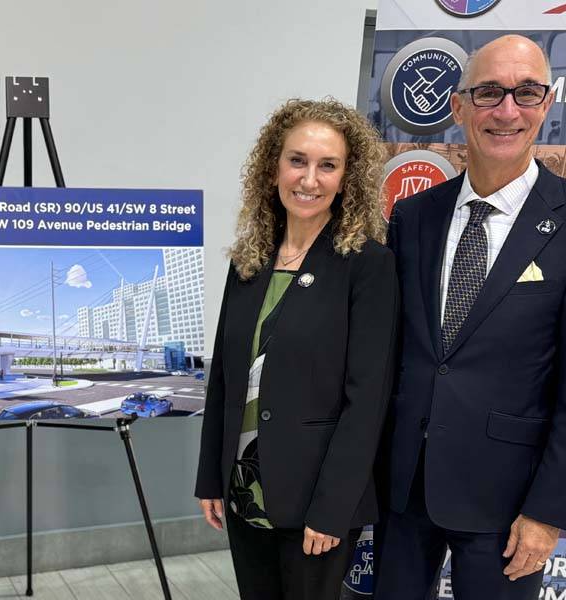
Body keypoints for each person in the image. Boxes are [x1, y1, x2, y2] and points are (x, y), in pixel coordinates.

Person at [374, 35, 566, 600]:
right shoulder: (414, 216)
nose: (506, 111)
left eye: (526, 93)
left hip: (508, 504)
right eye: (489, 92)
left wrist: (548, 511)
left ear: (547, 103)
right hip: (405, 487)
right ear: (459, 106)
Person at [194, 98, 399, 600]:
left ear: (346, 179)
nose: (309, 179)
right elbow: (224, 376)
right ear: (273, 168)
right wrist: (210, 478)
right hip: (246, 490)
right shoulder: (249, 261)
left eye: (327, 165)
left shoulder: (367, 266)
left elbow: (367, 401)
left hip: (316, 504)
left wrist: (332, 508)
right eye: (297, 161)